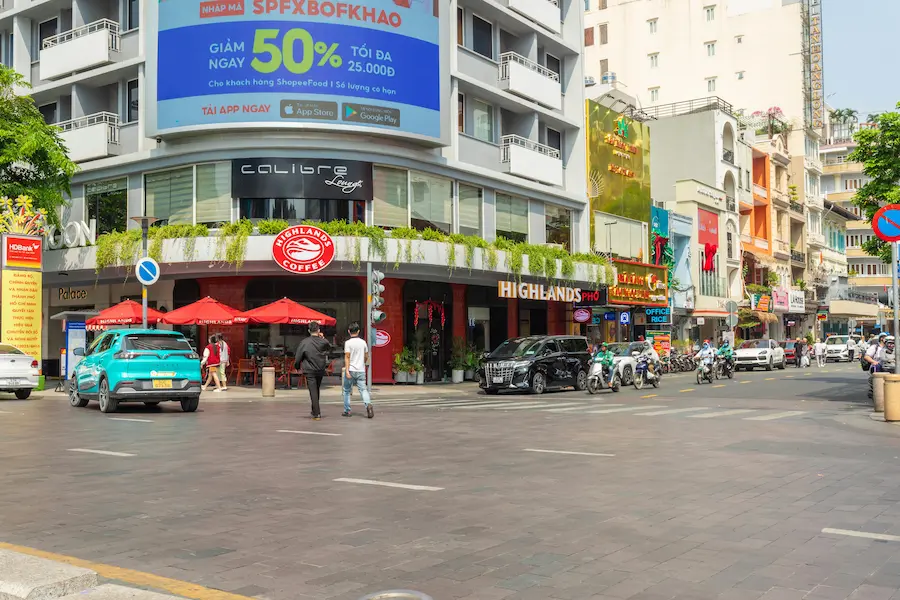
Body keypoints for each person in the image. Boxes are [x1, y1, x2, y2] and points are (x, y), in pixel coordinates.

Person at [294, 321, 332, 420]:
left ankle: (317, 413)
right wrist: (323, 338)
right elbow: (330, 348)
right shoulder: (323, 341)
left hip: (309, 370)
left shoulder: (304, 342)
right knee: (316, 389)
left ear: (308, 330)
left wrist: (297, 367)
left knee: (313, 391)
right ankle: (314, 409)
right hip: (320, 368)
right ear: (319, 330)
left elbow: (298, 356)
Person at [342, 322, 374, 418]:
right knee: (363, 390)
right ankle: (368, 404)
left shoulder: (348, 343)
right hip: (361, 370)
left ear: (349, 331)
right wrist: (363, 363)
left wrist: (347, 371)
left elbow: (347, 357)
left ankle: (347, 411)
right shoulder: (363, 342)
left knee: (347, 390)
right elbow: (366, 356)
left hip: (351, 369)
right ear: (358, 331)